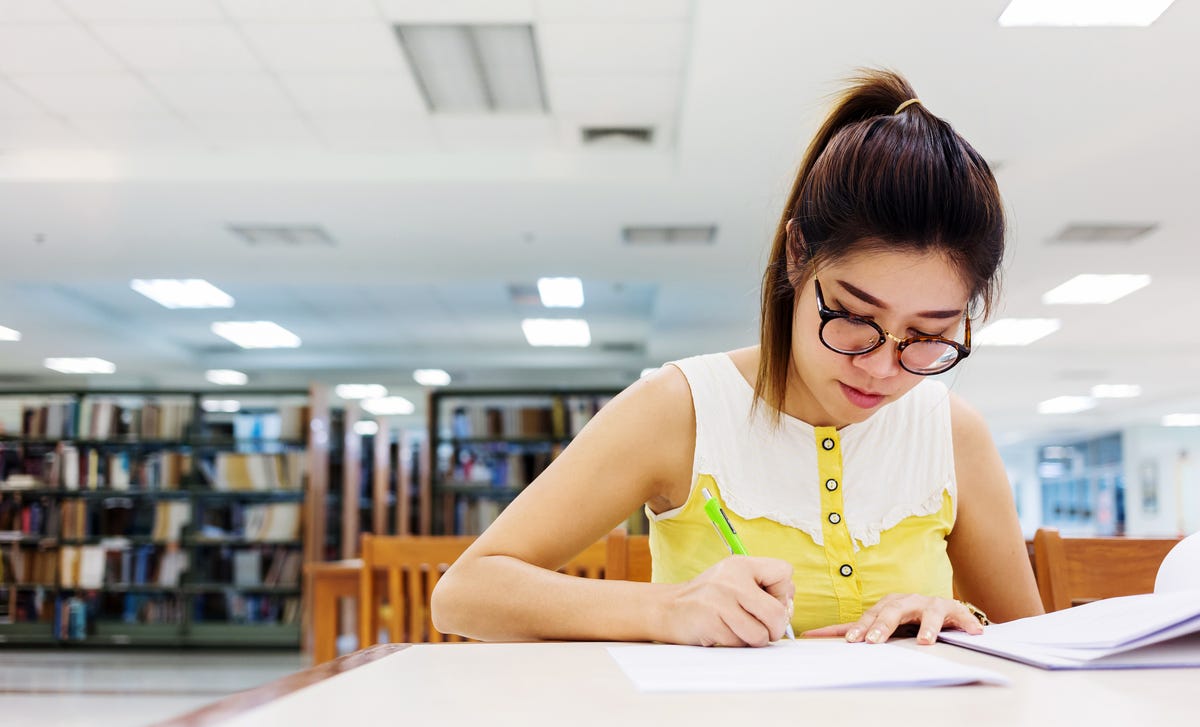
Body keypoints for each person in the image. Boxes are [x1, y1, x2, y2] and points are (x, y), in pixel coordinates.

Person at [432, 68, 1043, 647]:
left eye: (927, 336)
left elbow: (1034, 645)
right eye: (856, 320)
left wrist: (960, 619)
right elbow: (464, 594)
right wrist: (666, 609)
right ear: (798, 254)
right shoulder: (682, 410)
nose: (883, 367)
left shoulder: (953, 432)